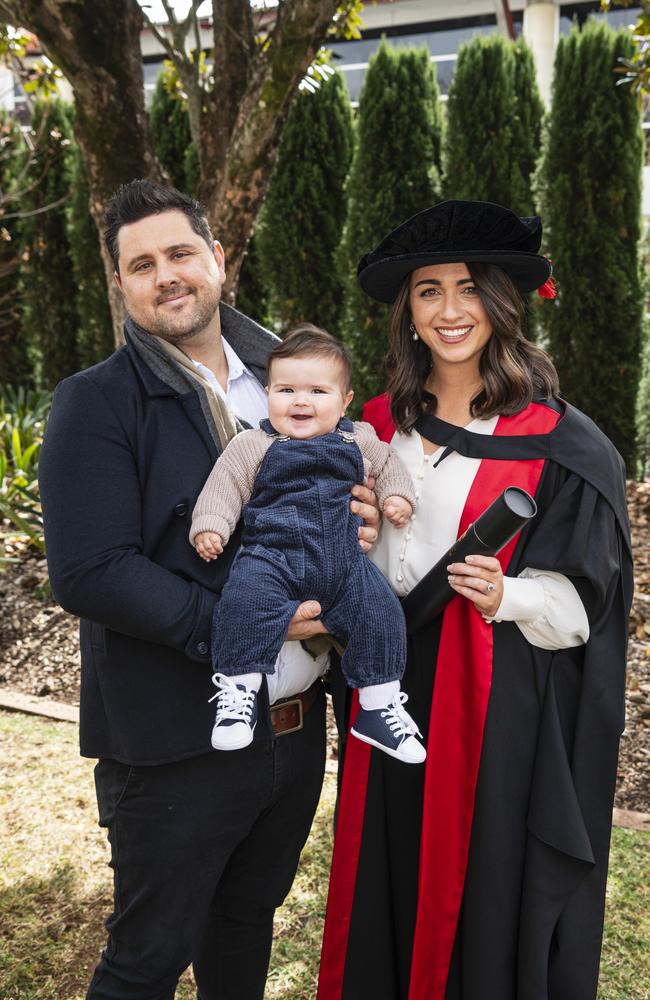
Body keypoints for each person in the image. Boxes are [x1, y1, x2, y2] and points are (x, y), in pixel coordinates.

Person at [37, 179, 381, 1000]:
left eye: (181, 253)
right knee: (146, 962)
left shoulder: (294, 381)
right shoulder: (96, 403)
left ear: (218, 259)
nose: (168, 275)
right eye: (142, 264)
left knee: (244, 931)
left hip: (293, 734)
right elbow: (92, 570)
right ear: (121, 284)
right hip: (173, 743)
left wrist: (362, 519)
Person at [318, 199, 632, 1000]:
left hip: (493, 711)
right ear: (408, 311)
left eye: (468, 288)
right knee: (383, 876)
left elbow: (583, 615)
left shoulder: (563, 442)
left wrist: (509, 592)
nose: (449, 310)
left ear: (501, 301)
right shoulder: (376, 427)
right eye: (428, 291)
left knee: (478, 894)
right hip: (387, 691)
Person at [190, 324, 425, 764]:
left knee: (380, 611)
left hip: (343, 561)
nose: (301, 401)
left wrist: (395, 497)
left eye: (317, 391)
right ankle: (239, 695)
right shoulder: (254, 444)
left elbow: (390, 465)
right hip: (270, 558)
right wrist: (211, 527)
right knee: (242, 603)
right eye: (286, 389)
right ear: (267, 394)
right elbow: (224, 487)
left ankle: (379, 704)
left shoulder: (359, 439)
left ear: (345, 401)